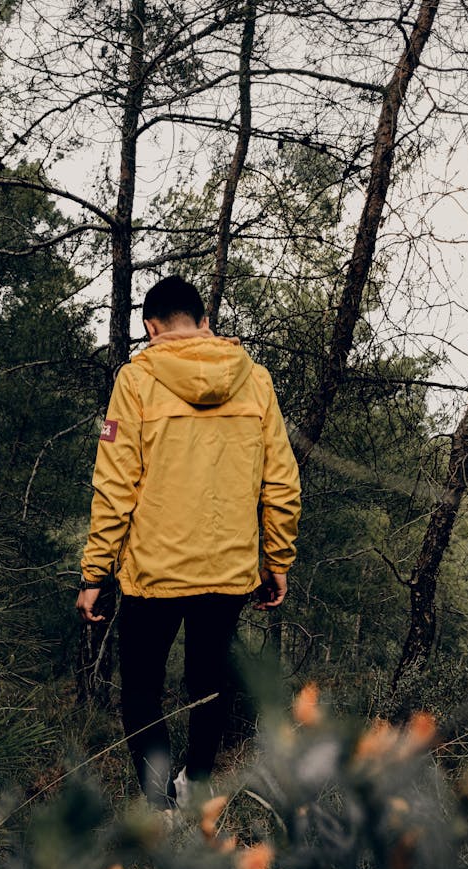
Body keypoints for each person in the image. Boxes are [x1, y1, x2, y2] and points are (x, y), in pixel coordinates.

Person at [76, 275, 300, 810]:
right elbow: (282, 481)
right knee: (209, 681)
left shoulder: (135, 381)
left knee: (141, 692)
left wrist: (94, 574)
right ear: (203, 321)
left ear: (151, 328)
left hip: (154, 572)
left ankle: (160, 808)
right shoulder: (256, 381)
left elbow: (115, 486)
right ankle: (196, 788)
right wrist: (278, 559)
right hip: (228, 571)